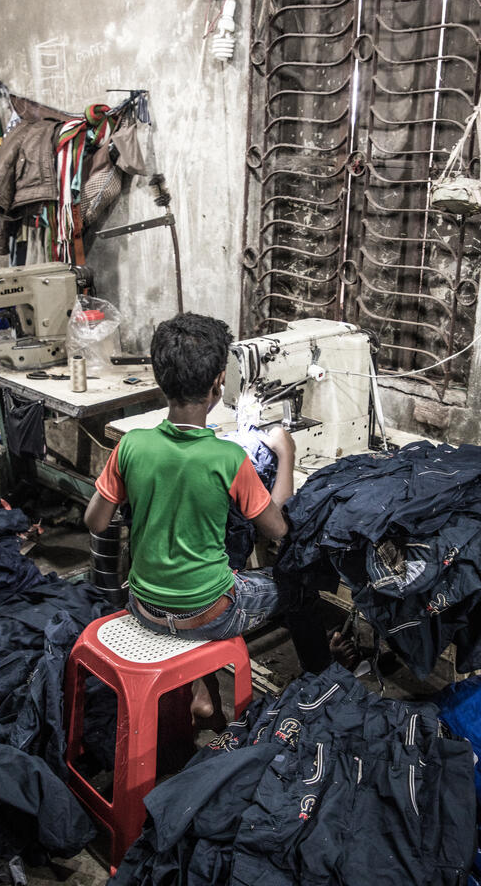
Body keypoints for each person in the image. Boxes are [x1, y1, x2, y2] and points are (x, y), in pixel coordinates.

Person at [85, 312, 323, 731]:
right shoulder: (229, 459)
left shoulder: (131, 447)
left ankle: (203, 691)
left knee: (213, 563)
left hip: (142, 608)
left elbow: (95, 521)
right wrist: (285, 454)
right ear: (218, 383)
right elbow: (279, 527)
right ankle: (325, 688)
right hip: (209, 614)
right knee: (298, 580)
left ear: (160, 380)